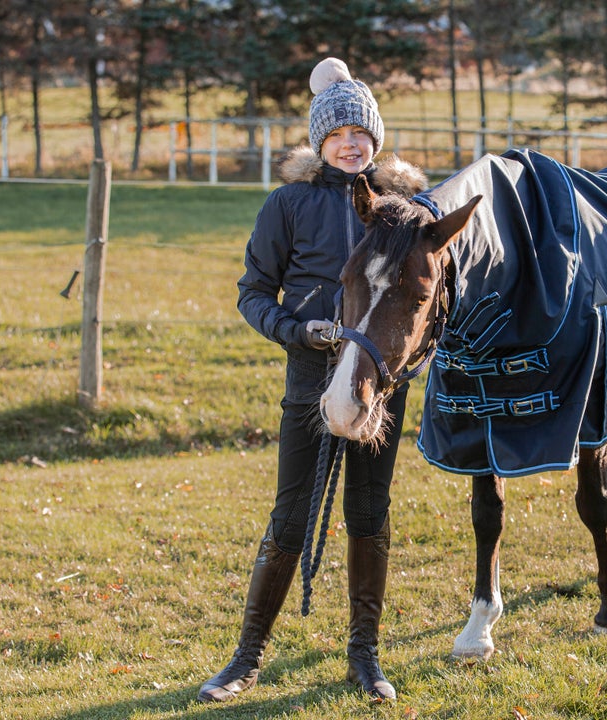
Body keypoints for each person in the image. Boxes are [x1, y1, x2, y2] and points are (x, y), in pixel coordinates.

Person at [197, 58, 427, 704]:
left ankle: (365, 655)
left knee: (368, 516)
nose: (351, 143)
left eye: (361, 132)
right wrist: (300, 332)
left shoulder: (401, 211)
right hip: (310, 383)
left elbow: (423, 300)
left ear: (375, 140)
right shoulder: (288, 204)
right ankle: (245, 658)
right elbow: (252, 294)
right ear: (320, 143)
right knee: (290, 520)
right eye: (338, 135)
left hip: (379, 389)